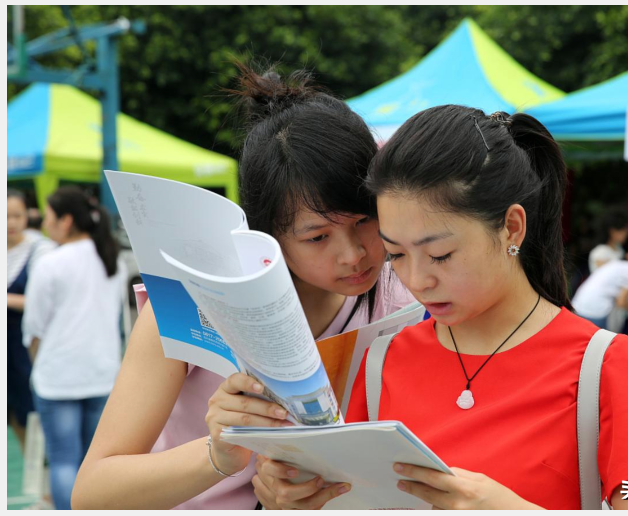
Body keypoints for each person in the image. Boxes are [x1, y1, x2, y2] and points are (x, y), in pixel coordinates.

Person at [252, 106, 628, 510]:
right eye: (395, 255)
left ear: (511, 227)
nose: (419, 280)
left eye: (439, 254)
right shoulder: (383, 360)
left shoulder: (602, 365)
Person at [72, 64, 414, 510]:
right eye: (317, 237)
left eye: (364, 220)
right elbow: (93, 491)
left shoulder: (405, 292)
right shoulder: (189, 301)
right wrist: (217, 456)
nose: (352, 255)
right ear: (267, 233)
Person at [22, 186, 127, 510]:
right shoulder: (113, 261)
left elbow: (34, 328)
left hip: (59, 376)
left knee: (64, 461)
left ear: (66, 220)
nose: (44, 223)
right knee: (93, 462)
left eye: (49, 216)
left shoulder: (51, 263)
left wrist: (37, 362)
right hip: (103, 373)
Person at [7, 190, 55, 449]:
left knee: (32, 410)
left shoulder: (40, 249)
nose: (11, 222)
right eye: (6, 216)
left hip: (25, 346)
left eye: (17, 215)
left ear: (28, 215)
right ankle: (31, 467)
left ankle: (43, 483)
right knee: (12, 413)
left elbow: (43, 301)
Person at [571, 259, 628, 330]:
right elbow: (621, 303)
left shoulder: (617, 265)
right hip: (594, 313)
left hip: (577, 307)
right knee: (600, 340)